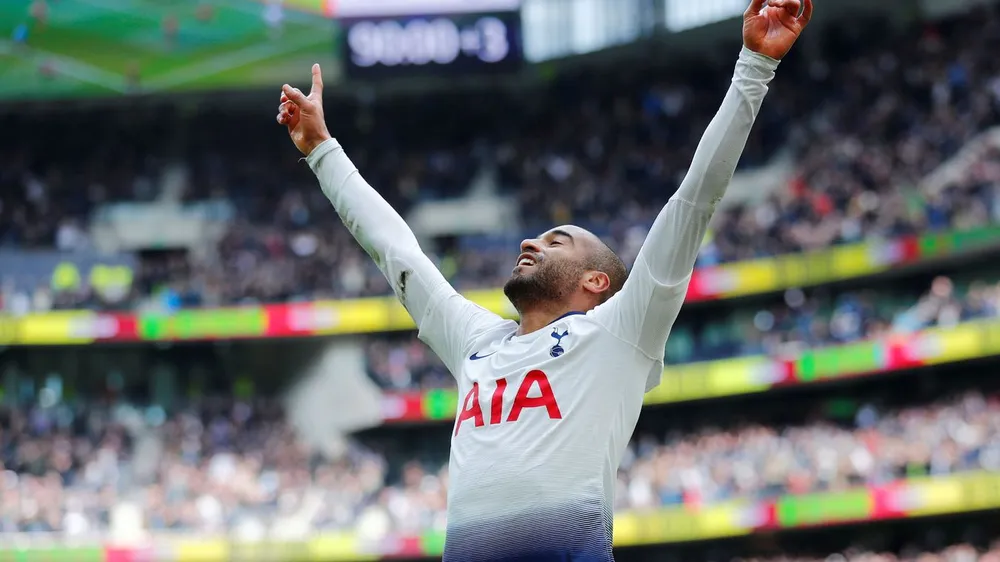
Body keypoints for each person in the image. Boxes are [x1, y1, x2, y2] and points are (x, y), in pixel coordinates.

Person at [276, 0, 811, 559]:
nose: (531, 242)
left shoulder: (619, 335)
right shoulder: (477, 342)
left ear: (598, 282)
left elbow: (694, 200)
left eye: (558, 241)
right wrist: (322, 152)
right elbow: (395, 250)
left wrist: (754, 67)